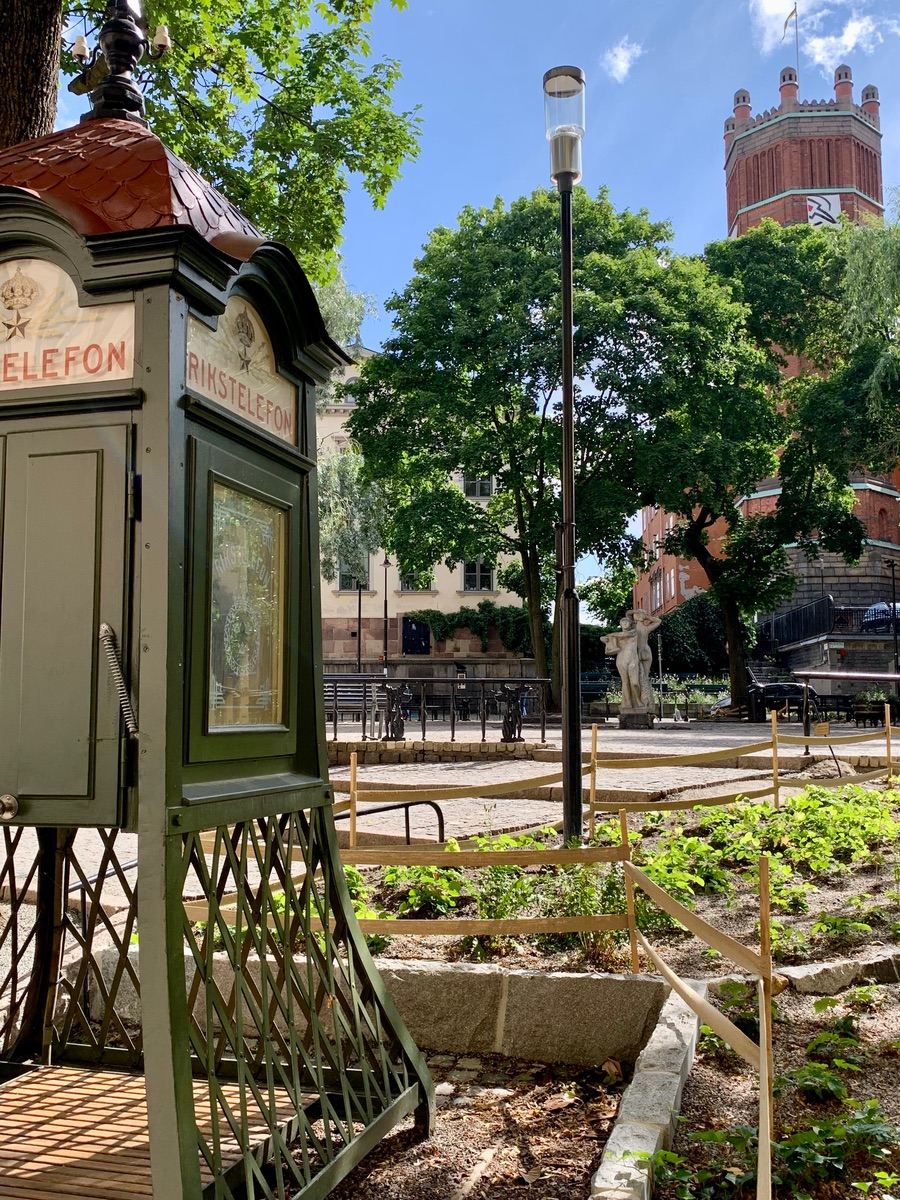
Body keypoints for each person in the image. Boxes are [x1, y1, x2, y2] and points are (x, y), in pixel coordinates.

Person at [602, 609, 661, 713]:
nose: (639, 615)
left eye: (641, 614)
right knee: (631, 680)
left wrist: (646, 616)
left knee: (643, 678)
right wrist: (636, 611)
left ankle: (645, 701)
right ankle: (631, 703)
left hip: (643, 652)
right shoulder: (632, 626)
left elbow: (658, 621)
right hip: (631, 655)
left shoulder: (644, 628)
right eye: (637, 614)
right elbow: (627, 616)